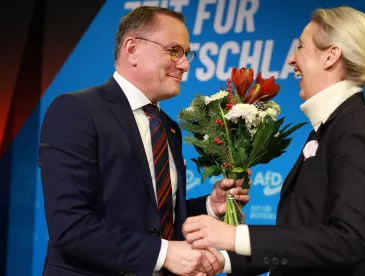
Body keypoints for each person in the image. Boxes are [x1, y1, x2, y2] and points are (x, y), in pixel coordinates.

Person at [182, 6, 365, 276]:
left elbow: (348, 241)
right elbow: (303, 239)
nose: (292, 60)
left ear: (331, 56)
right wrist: (224, 261)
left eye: (301, 47)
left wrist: (235, 237)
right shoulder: (332, 126)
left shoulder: (357, 129)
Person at [38, 6, 250, 276]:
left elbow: (155, 219)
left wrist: (211, 205)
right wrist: (164, 253)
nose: (185, 64)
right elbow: (71, 226)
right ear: (131, 49)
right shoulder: (76, 111)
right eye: (174, 50)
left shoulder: (169, 129)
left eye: (187, 54)